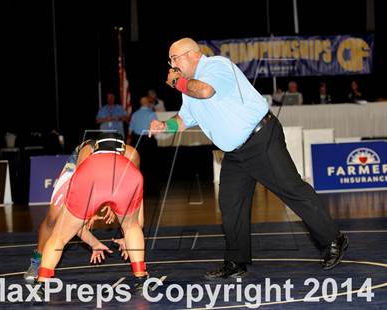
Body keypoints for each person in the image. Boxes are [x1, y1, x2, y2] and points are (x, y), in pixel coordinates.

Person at [149, 37, 348, 280]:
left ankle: (333, 239)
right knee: (231, 205)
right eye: (170, 60)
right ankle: (236, 261)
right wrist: (164, 126)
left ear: (192, 54)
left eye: (174, 58)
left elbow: (205, 90)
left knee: (291, 189)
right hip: (235, 153)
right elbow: (183, 120)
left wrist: (177, 82)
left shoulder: (216, 66)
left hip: (261, 139)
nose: (171, 64)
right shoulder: (188, 88)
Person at [34, 132, 148, 294]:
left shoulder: (132, 154)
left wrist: (91, 209)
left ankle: (42, 282)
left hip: (89, 176)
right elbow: (136, 196)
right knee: (53, 217)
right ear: (121, 148)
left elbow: (83, 185)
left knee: (59, 234)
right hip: (80, 168)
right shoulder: (87, 150)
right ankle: (141, 278)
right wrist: (130, 231)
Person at [127, 96, 159, 192]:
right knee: (151, 164)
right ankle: (152, 187)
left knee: (138, 164)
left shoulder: (134, 114)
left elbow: (130, 130)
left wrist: (128, 144)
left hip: (137, 140)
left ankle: (139, 188)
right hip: (148, 140)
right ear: (147, 103)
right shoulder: (152, 114)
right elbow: (156, 130)